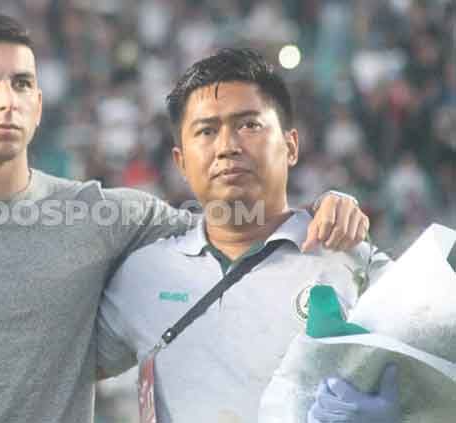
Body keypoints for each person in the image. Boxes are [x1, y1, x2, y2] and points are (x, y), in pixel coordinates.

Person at [0, 13, 369, 423]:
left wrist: (323, 209)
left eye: (21, 83)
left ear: (39, 103)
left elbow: (231, 224)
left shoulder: (105, 216)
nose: (5, 100)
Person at [96, 48, 398, 423]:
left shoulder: (353, 261)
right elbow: (55, 373)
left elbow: (433, 370)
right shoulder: (141, 276)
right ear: (181, 163)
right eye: (207, 131)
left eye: (249, 125)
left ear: (290, 146)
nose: (228, 146)